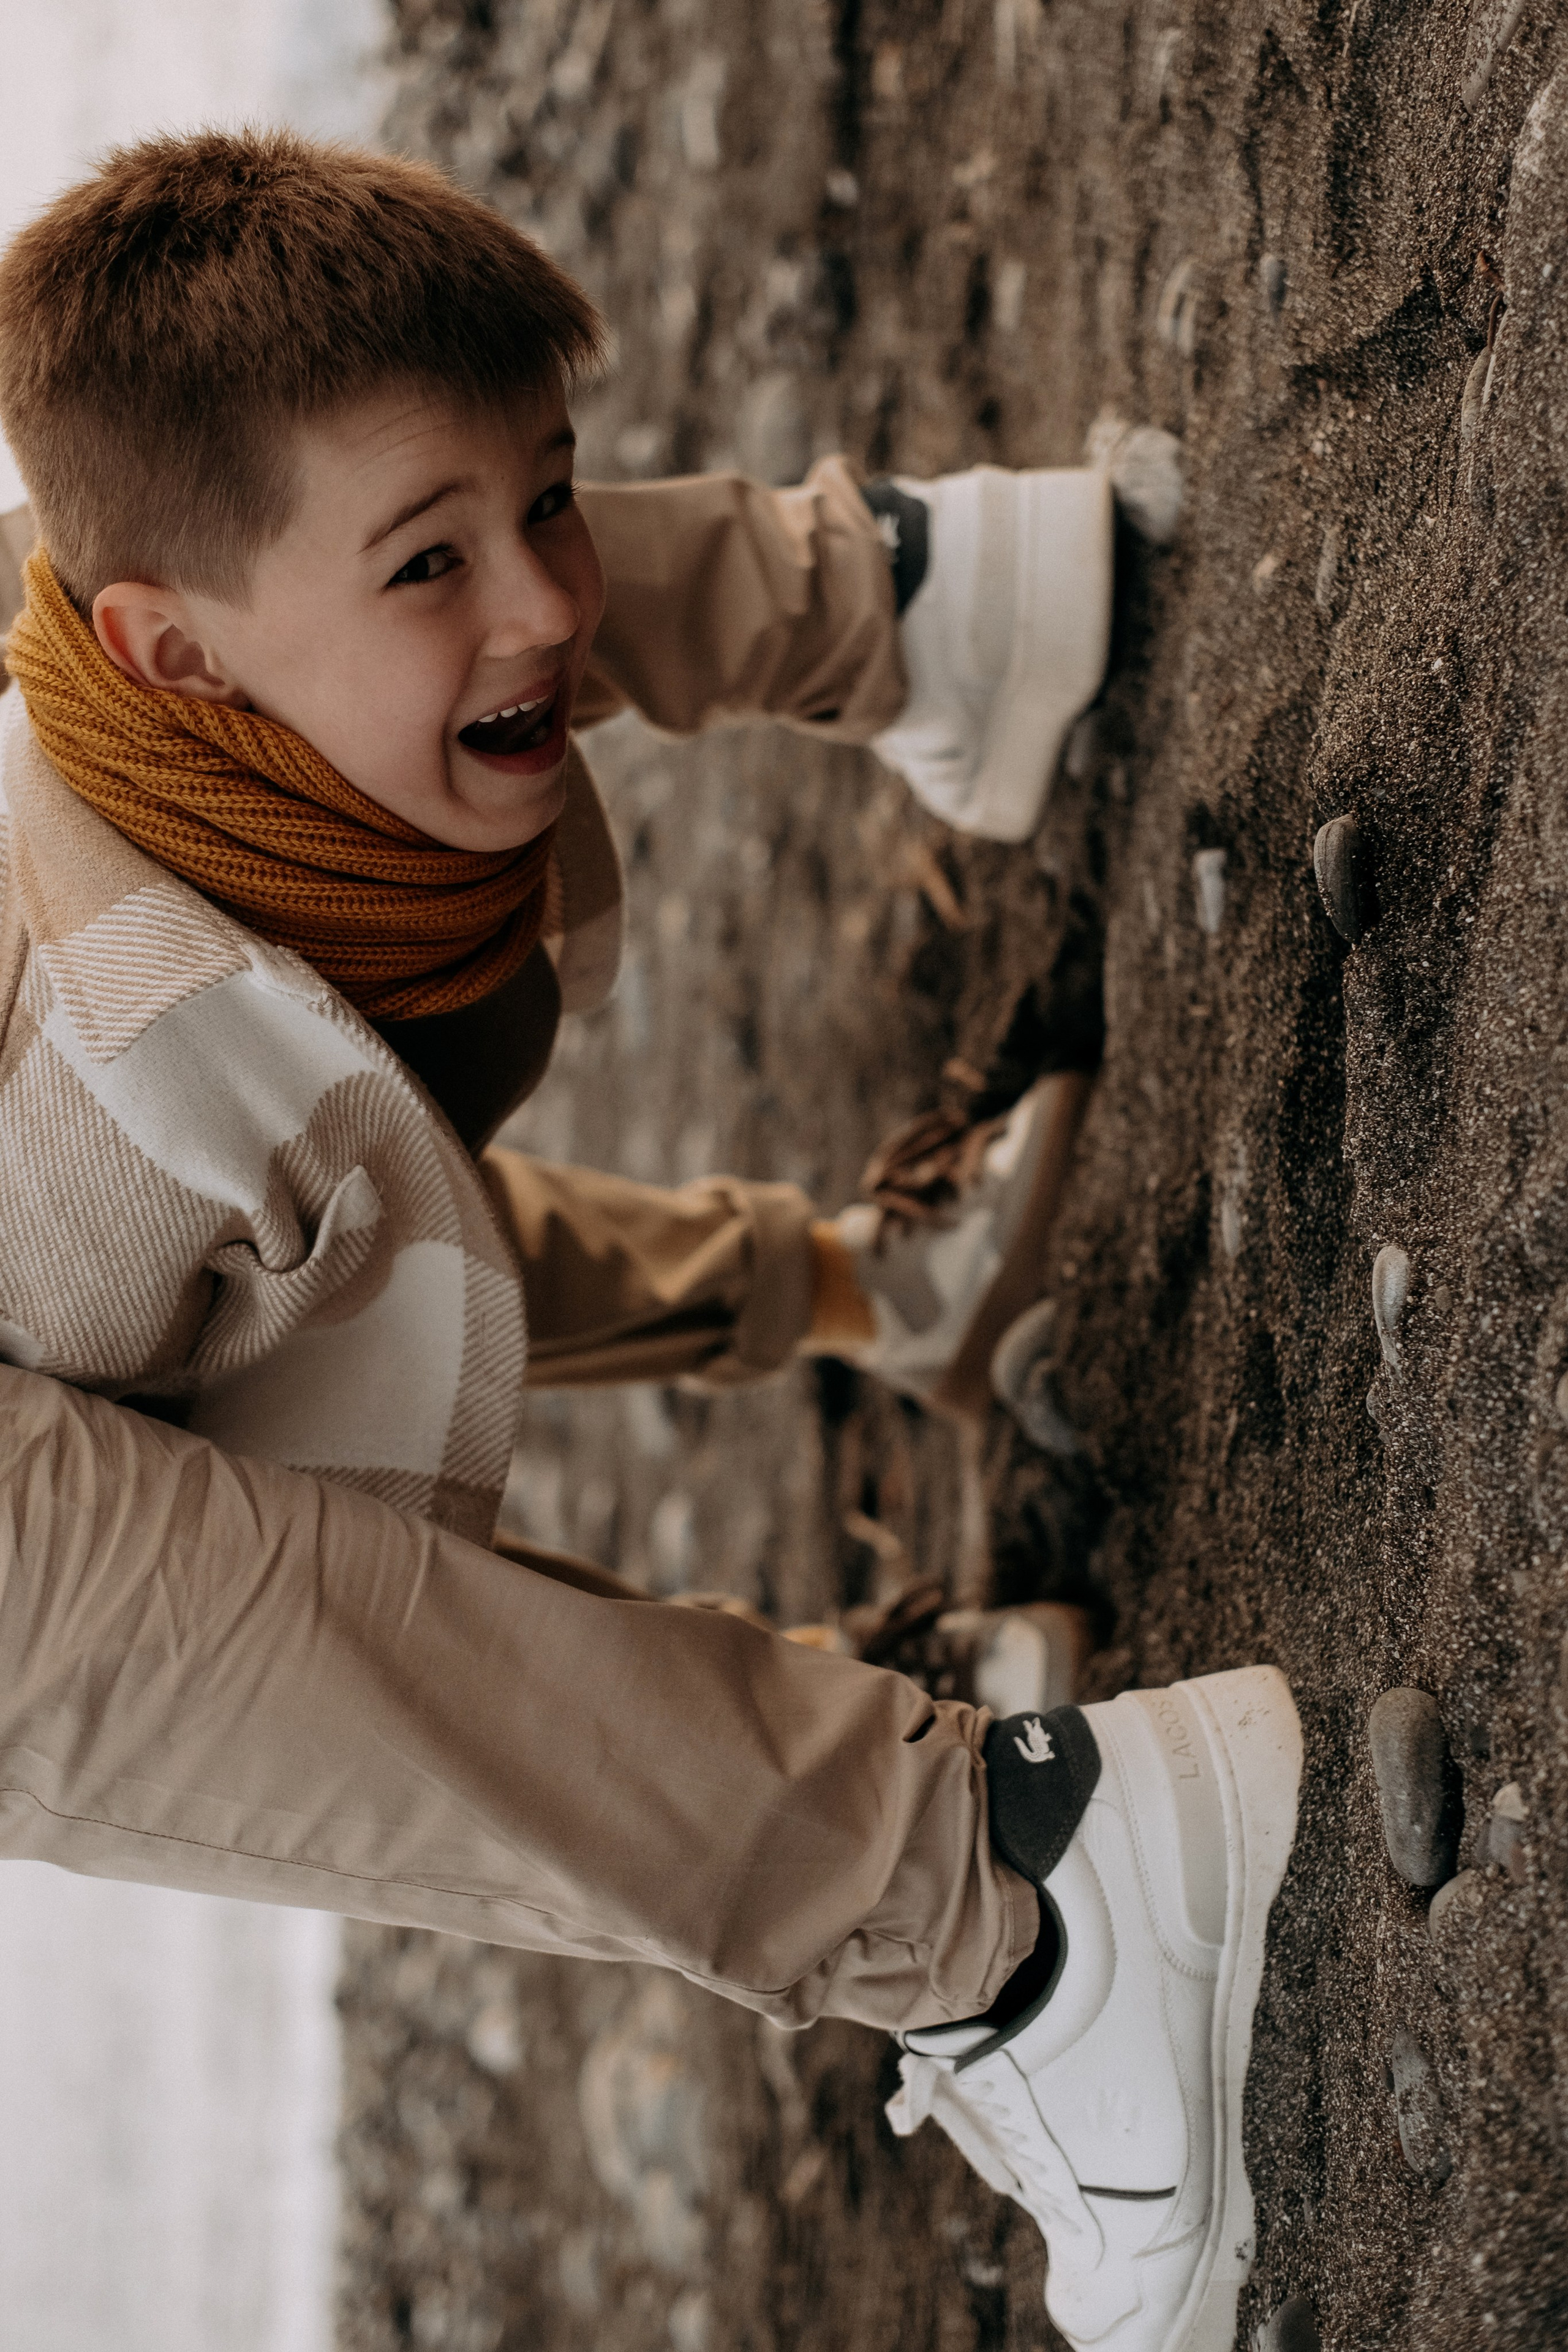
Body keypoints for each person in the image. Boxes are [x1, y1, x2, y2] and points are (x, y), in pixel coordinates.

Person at [0, 129, 1297, 2350]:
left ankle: (1024, 1899)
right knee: (325, 609)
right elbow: (327, 1335)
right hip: (184, 1115)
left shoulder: (150, 953)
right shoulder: (142, 1015)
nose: (547, 599)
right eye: (453, 564)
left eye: (562, 499)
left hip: (171, 1048)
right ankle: (918, 603)